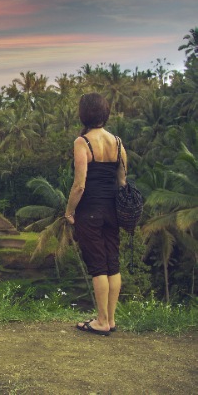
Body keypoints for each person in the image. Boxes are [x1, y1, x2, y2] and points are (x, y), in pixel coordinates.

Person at [65, 92, 127, 336]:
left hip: (90, 211)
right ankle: (109, 319)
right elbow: (122, 180)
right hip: (113, 209)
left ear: (84, 113)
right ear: (105, 112)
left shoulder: (83, 142)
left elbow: (79, 184)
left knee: (98, 267)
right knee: (113, 264)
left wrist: (69, 212)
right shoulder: (118, 143)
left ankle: (101, 321)